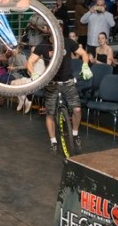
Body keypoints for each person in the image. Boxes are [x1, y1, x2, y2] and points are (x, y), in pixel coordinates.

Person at [28, 24, 91, 154]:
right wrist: (33, 73)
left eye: (60, 31)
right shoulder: (43, 45)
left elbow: (84, 54)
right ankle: (53, 141)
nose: (58, 33)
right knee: (50, 113)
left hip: (68, 82)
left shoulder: (68, 42)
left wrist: (85, 65)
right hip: (52, 84)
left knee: (77, 109)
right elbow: (30, 61)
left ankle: (75, 134)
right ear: (50, 31)